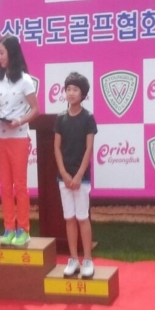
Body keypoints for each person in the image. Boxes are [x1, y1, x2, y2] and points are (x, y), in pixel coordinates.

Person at [0, 35, 39, 246]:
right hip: (1, 136)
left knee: (20, 185)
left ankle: (23, 229)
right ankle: (8, 227)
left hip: (19, 137)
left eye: (2, 53)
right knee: (5, 186)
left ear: (12, 53)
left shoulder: (25, 80)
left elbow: (35, 109)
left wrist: (20, 120)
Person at [54, 72, 98, 278]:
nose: (71, 93)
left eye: (75, 89)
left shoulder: (88, 118)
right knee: (69, 218)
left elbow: (89, 148)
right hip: (64, 178)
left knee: (82, 217)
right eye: (68, 89)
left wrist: (79, 175)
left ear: (83, 94)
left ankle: (87, 259)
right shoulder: (60, 118)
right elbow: (56, 147)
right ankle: (73, 259)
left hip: (82, 178)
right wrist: (64, 173)